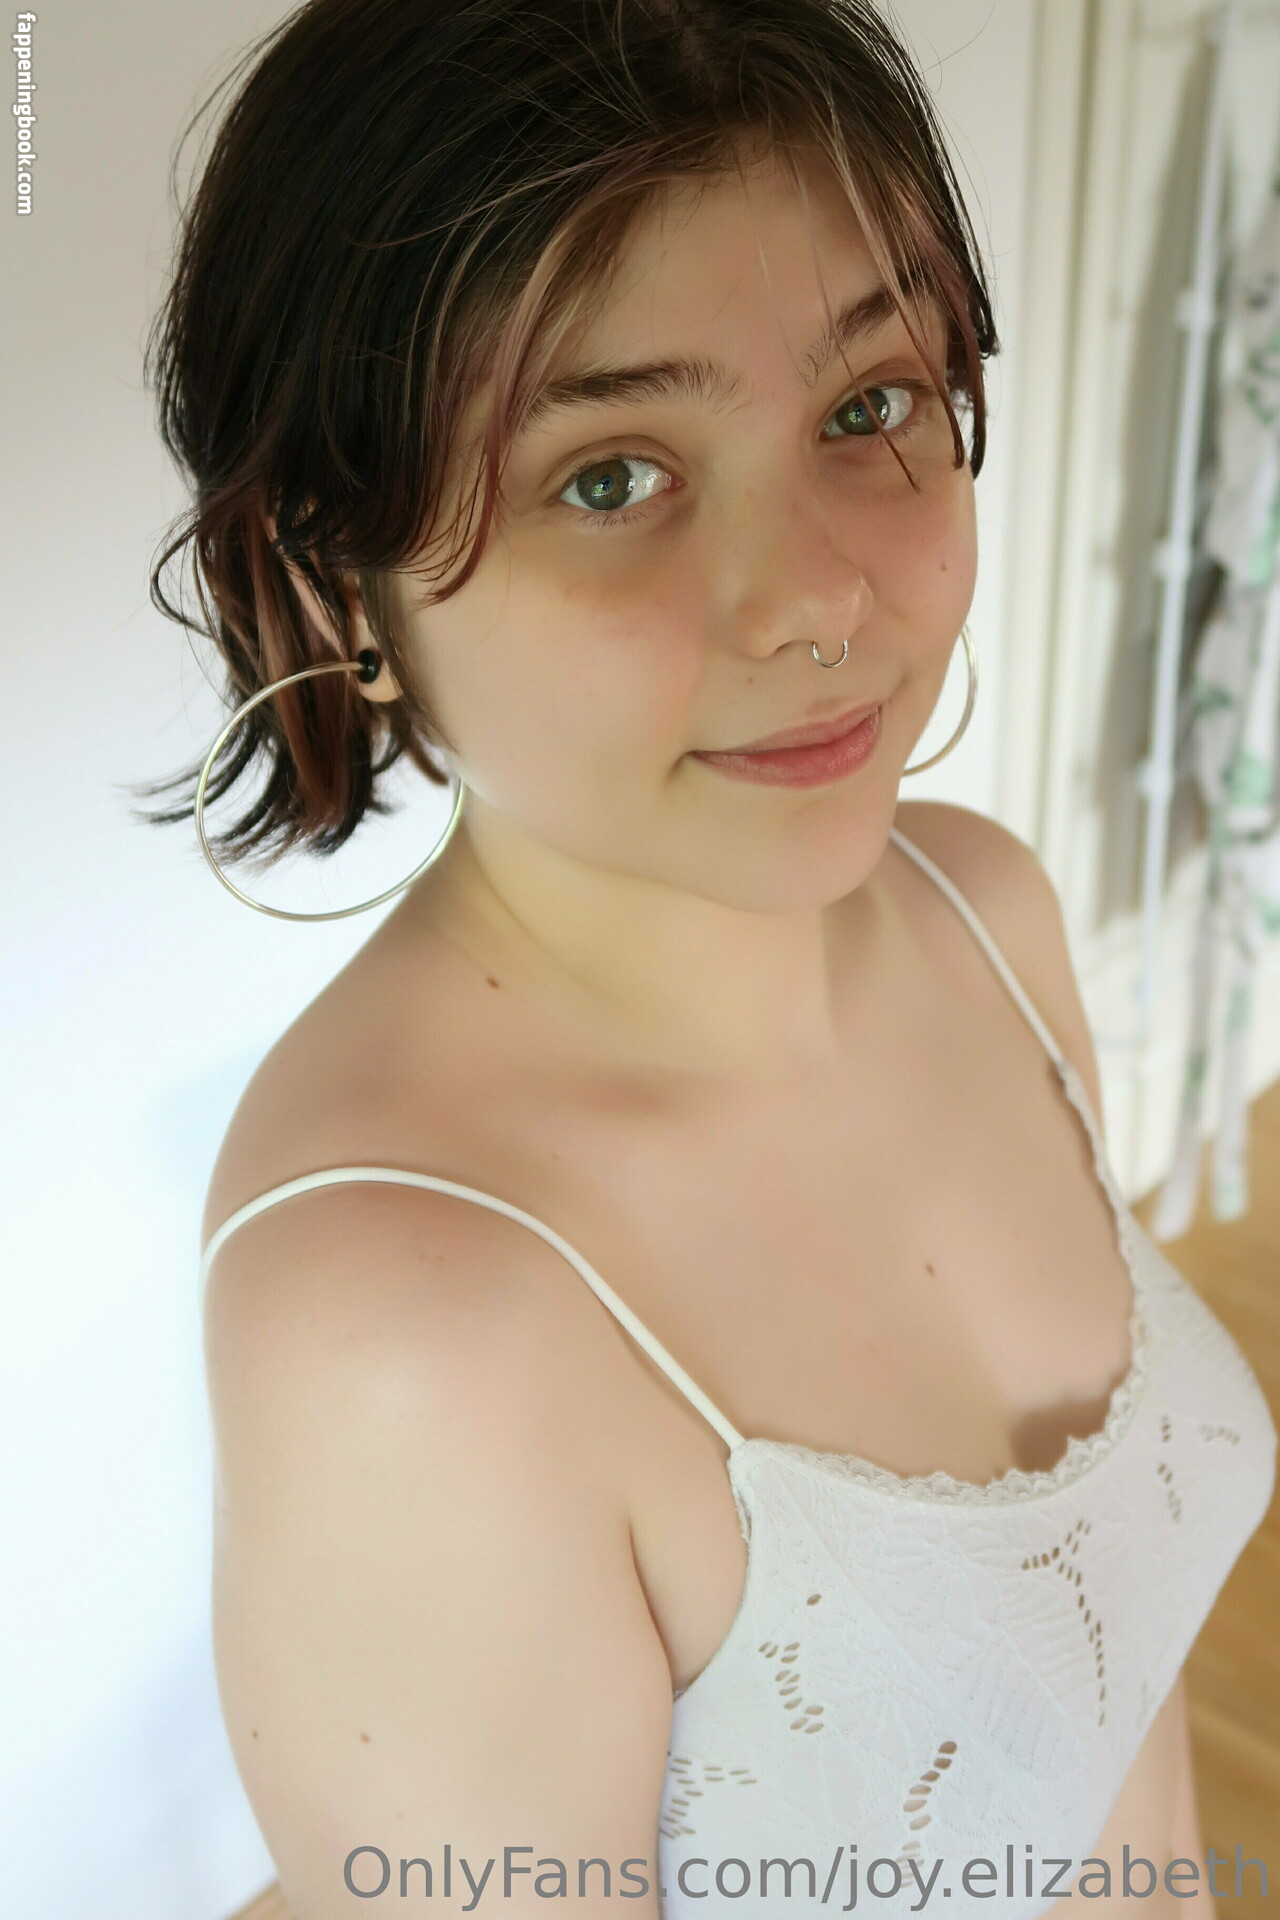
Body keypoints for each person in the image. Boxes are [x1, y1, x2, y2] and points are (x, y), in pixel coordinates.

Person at [138, 2, 1277, 1914]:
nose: (822, 596)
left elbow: (1118, 1713)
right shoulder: (407, 1334)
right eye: (610, 477)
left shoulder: (985, 915)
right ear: (341, 582)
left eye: (867, 408)